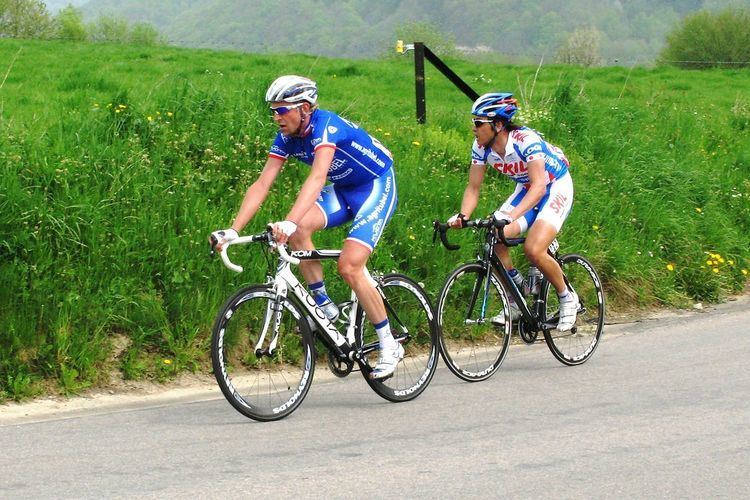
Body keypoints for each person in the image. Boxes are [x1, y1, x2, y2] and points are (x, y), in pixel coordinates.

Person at [210, 75, 402, 379]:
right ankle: (325, 308)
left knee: (350, 266)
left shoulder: (326, 126)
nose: (276, 117)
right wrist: (233, 229)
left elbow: (317, 178)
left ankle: (389, 344)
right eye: (273, 110)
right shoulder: (285, 138)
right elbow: (262, 183)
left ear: (305, 108)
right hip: (344, 189)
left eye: (282, 110)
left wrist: (289, 219)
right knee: (299, 231)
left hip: (375, 186)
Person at [447, 92, 578, 331]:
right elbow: (473, 187)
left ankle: (567, 296)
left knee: (533, 249)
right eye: (473, 123)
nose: (474, 129)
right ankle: (515, 296)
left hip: (554, 186)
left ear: (498, 124)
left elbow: (539, 187)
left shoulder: (525, 140)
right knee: (496, 236)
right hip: (527, 188)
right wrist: (462, 216)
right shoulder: (480, 147)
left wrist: (511, 215)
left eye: (478, 123)